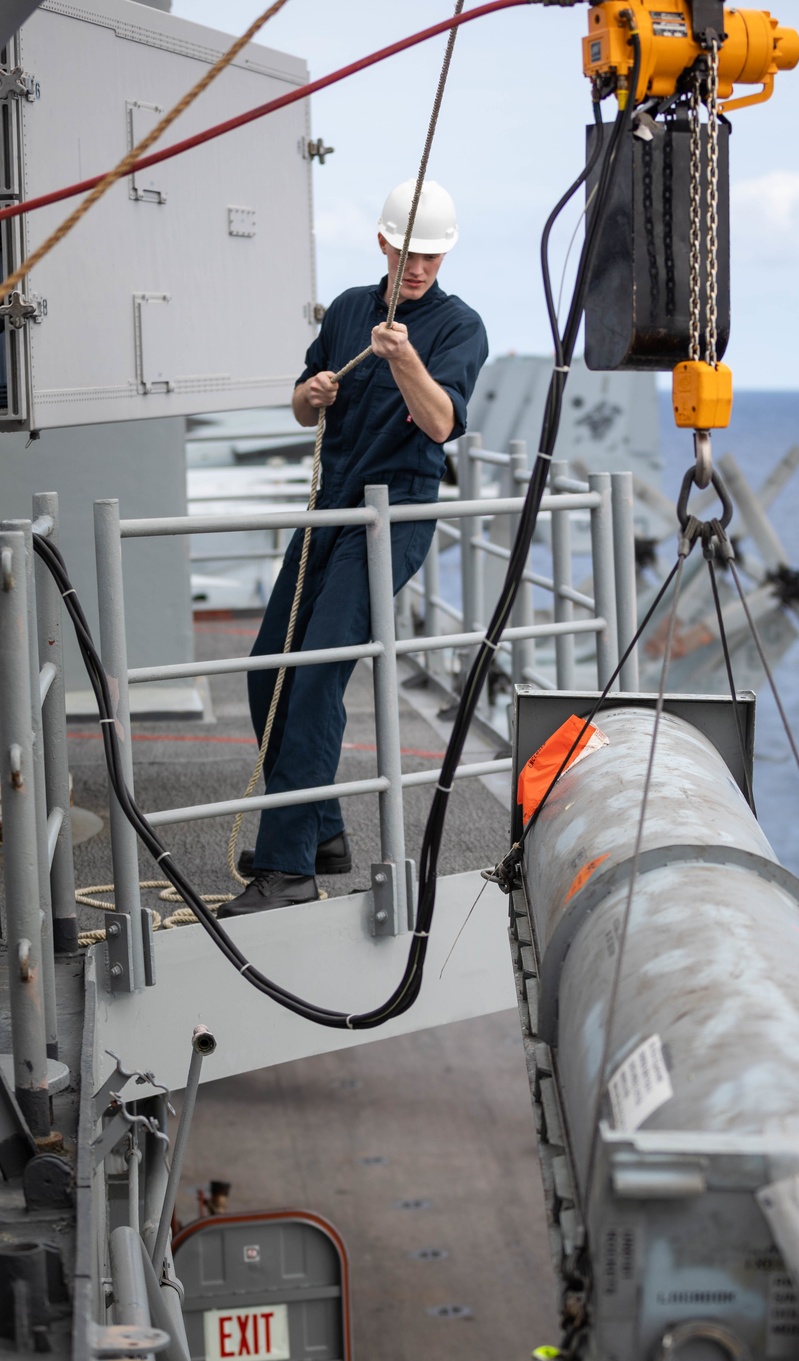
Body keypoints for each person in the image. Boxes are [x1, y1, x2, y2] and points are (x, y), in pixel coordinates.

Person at [218, 181, 488, 918]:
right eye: (409, 251)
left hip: (394, 513)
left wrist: (403, 361)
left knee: (316, 678)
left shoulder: (461, 327)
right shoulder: (345, 310)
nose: (420, 267)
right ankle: (322, 830)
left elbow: (439, 424)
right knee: (268, 668)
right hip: (330, 503)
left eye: (432, 254)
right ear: (383, 244)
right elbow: (302, 398)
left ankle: (288, 869)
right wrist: (315, 395)